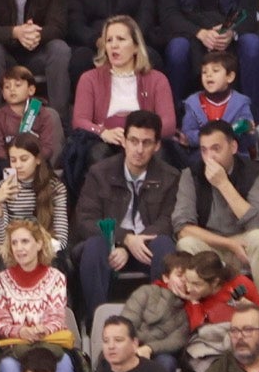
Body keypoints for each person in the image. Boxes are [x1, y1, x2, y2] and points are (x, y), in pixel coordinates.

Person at [71, 109, 180, 318]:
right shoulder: (99, 173)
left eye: (146, 143)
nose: (139, 149)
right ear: (124, 141)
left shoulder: (170, 177)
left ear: (157, 146)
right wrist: (124, 240)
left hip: (146, 248)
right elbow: (86, 220)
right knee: (94, 246)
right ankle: (97, 321)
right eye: (133, 141)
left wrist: (132, 246)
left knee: (165, 245)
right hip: (109, 247)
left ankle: (160, 319)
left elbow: (168, 221)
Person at [173, 120, 259, 310]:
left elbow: (257, 222)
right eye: (204, 150)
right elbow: (183, 227)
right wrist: (229, 244)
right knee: (185, 244)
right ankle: (197, 312)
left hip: (245, 244)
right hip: (211, 245)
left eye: (216, 149)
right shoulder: (191, 175)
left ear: (233, 147)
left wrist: (224, 184)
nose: (209, 157)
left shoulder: (256, 173)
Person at [0, 219, 76, 372]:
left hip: (48, 344)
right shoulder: (0, 280)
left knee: (64, 365)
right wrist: (21, 331)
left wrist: (41, 330)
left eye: (25, 241)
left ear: (39, 243)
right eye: (14, 243)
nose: (19, 248)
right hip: (14, 347)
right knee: (10, 371)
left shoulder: (56, 277)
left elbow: (57, 318)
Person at [72, 16, 180, 164]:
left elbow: (169, 124)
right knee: (97, 153)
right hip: (108, 141)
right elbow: (79, 121)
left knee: (160, 153)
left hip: (144, 141)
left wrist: (141, 136)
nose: (114, 45)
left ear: (136, 46)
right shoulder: (89, 79)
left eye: (121, 39)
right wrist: (102, 132)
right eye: (109, 40)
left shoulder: (157, 79)